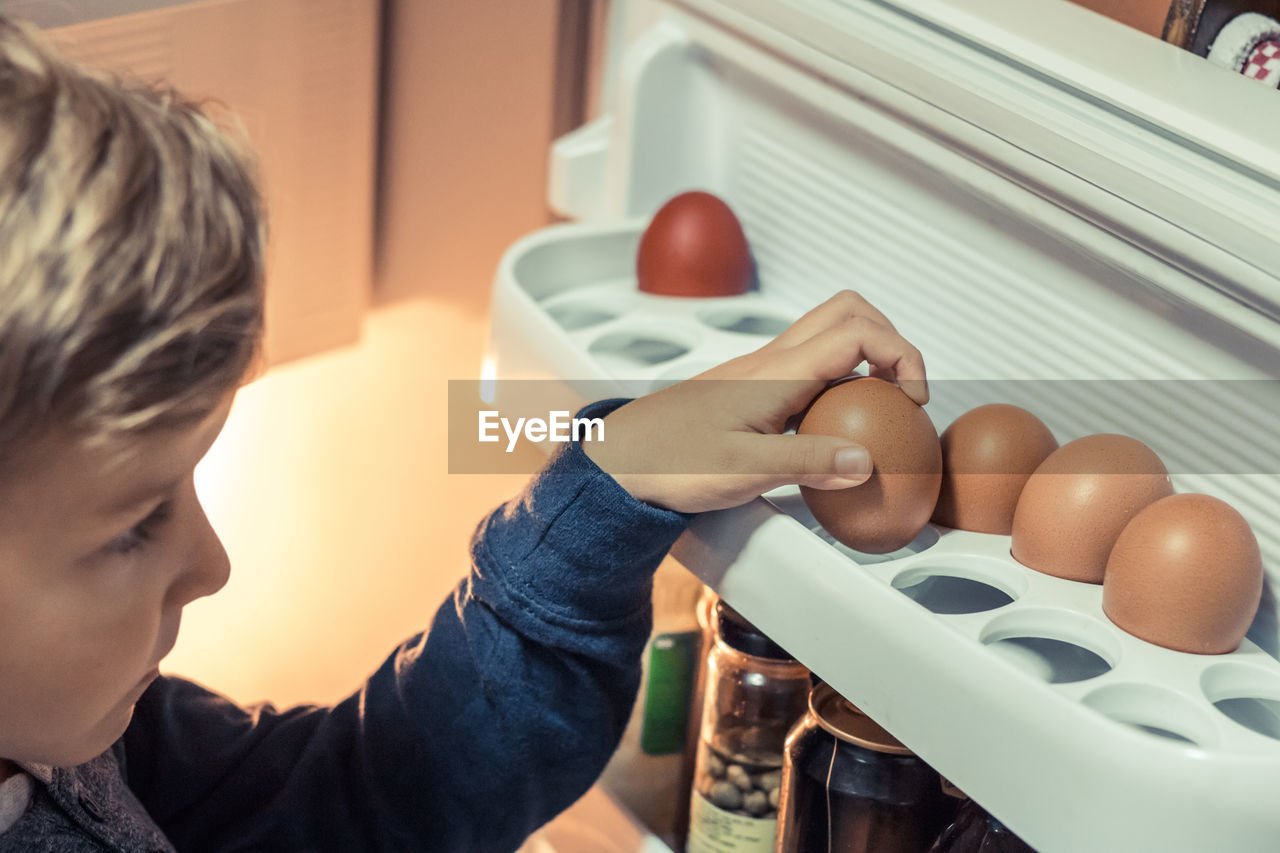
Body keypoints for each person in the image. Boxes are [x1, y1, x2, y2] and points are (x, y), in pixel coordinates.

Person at [0, 16, 927, 853]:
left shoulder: (81, 748)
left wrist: (608, 489)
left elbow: (371, 796)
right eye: (132, 525)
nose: (213, 566)